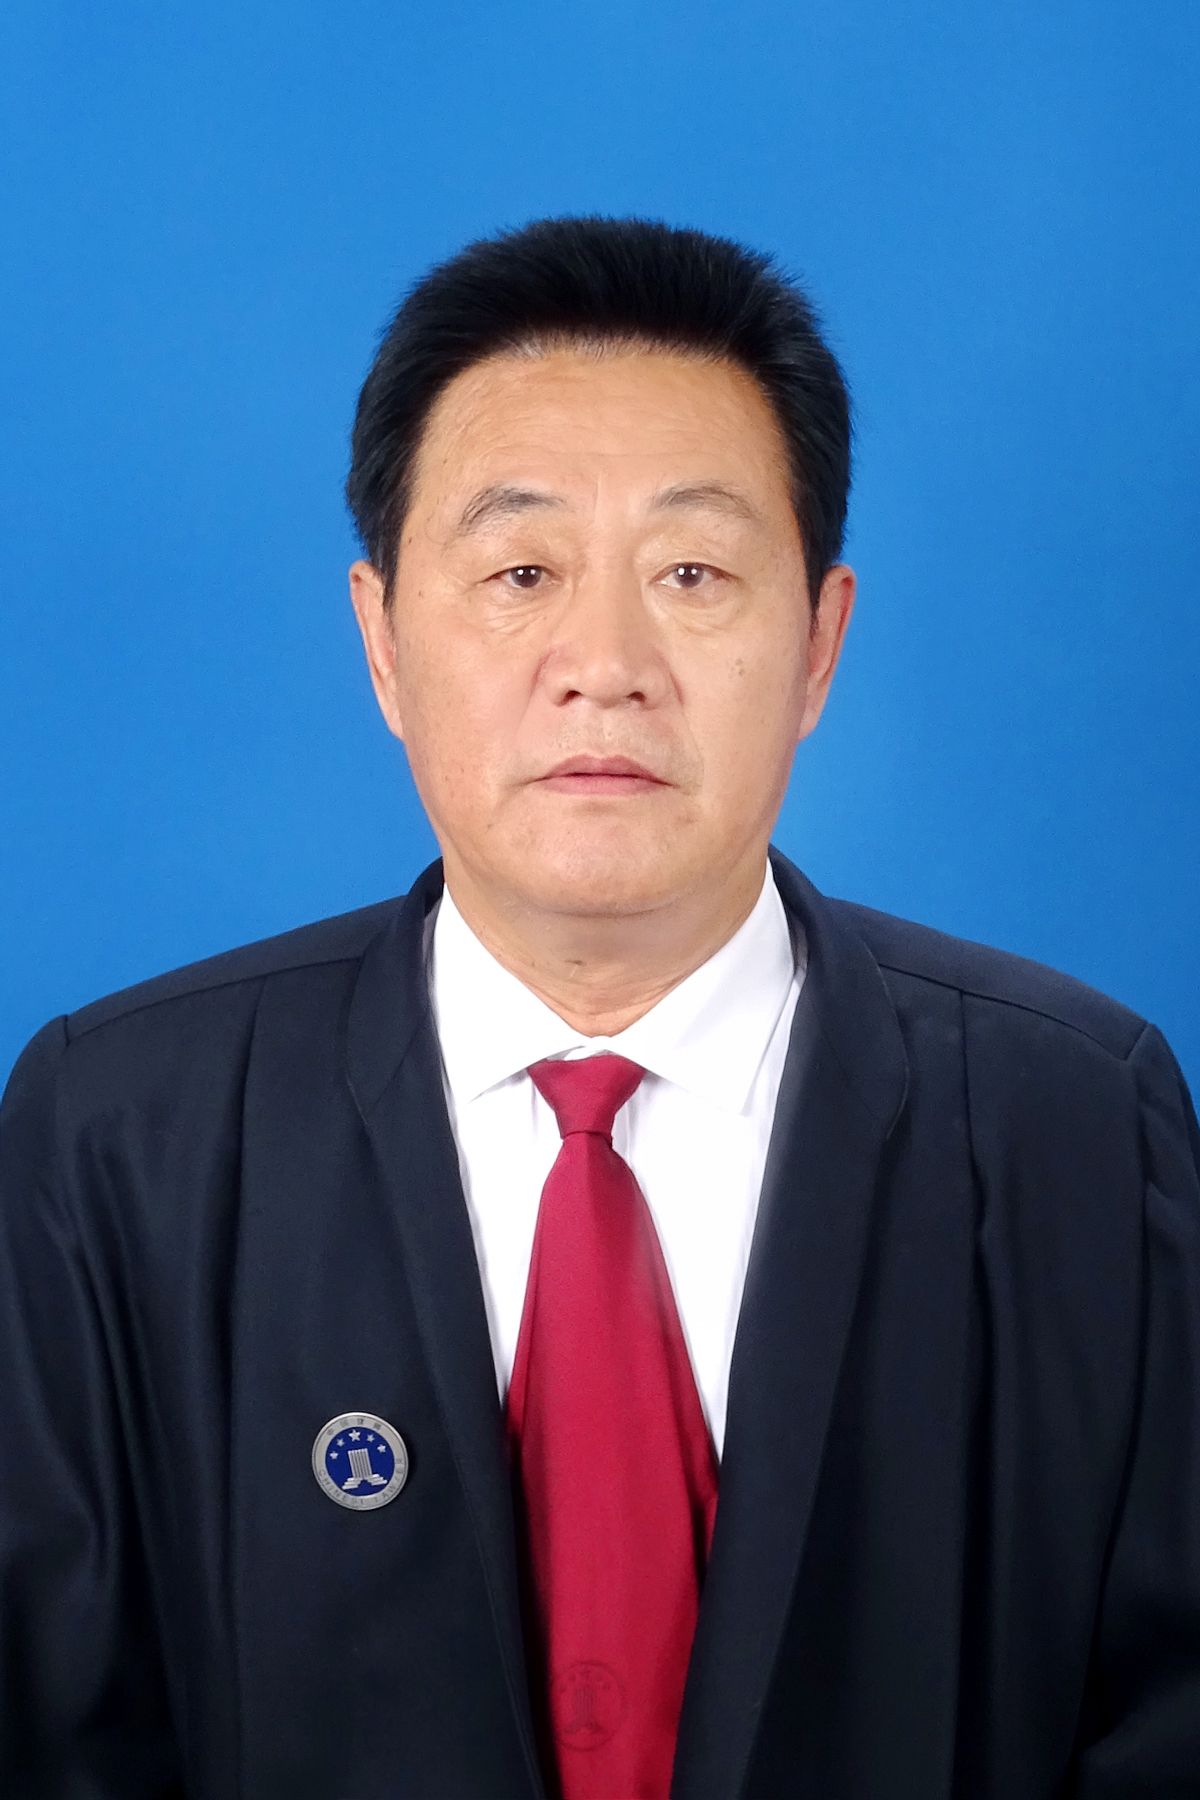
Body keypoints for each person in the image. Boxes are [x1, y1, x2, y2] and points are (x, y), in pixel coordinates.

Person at [1, 213, 1197, 1800]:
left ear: (820, 645)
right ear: (382, 642)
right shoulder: (116, 1135)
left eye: (692, 573)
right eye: (522, 572)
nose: (605, 663)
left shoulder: (1081, 1124)